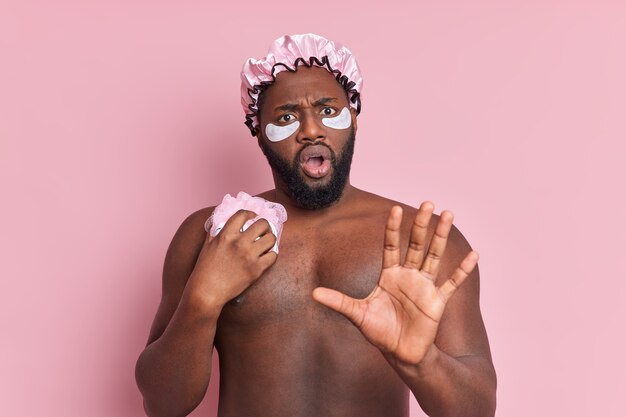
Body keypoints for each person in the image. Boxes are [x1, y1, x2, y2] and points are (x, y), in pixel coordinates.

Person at [135, 33, 497, 417]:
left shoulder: (421, 238)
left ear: (353, 118)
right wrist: (202, 300)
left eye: (327, 110)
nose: (311, 129)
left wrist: (422, 362)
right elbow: (163, 405)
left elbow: (477, 411)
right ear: (258, 131)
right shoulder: (210, 235)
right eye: (287, 117)